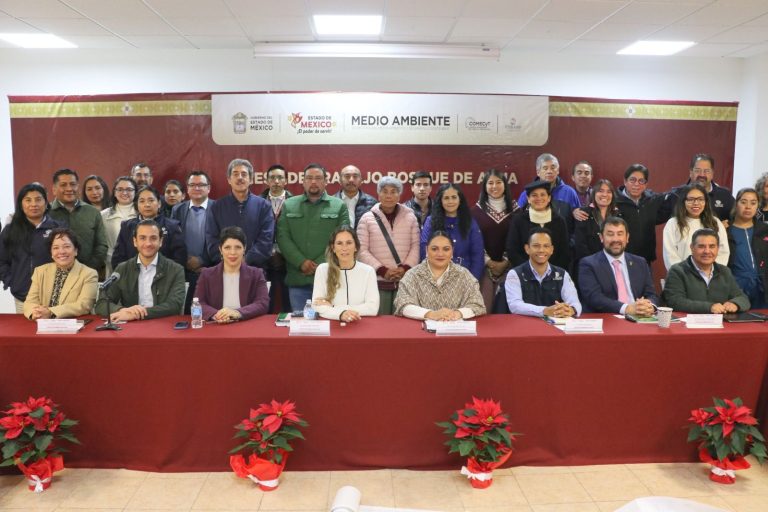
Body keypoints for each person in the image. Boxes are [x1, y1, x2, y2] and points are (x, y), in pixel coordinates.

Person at [277, 163, 349, 310]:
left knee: (330, 321)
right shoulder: (289, 205)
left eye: (318, 178)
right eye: (309, 178)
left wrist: (321, 265)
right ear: (303, 181)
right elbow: (282, 237)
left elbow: (343, 240)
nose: (313, 182)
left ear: (326, 181)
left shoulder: (339, 206)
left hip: (329, 278)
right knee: (301, 323)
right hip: (298, 279)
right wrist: (301, 262)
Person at [96, 219, 186, 321]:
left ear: (160, 241)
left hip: (162, 324)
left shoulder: (175, 269)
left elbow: (175, 305)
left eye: (153, 238)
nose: (148, 243)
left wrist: (138, 314)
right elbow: (101, 304)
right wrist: (123, 311)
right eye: (142, 238)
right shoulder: (122, 269)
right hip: (130, 325)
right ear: (135, 241)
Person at [357, 176, 420, 314]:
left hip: (405, 282)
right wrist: (382, 271)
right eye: (385, 191)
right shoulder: (367, 218)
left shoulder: (410, 217)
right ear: (378, 194)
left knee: (403, 322)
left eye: (393, 191)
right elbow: (361, 250)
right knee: (379, 323)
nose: (389, 196)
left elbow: (416, 246)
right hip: (376, 283)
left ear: (399, 194)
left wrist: (405, 268)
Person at [394, 231, 486, 320]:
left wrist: (457, 313)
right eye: (434, 249)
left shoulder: (464, 275)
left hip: (455, 328)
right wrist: (431, 314)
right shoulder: (412, 275)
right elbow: (402, 304)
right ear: (426, 250)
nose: (440, 254)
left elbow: (477, 305)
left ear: (452, 251)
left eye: (446, 249)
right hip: (420, 329)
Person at [0, 184, 64, 312]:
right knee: (23, 326)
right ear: (21, 204)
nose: (34, 204)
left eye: (38, 199)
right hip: (22, 296)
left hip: (55, 296)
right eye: (28, 200)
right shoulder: (10, 230)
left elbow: (67, 259)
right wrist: (12, 281)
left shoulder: (58, 229)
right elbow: (1, 260)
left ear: (46, 203)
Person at [578, 217, 658, 315]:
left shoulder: (640, 262)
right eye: (610, 234)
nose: (615, 239)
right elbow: (594, 298)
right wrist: (626, 308)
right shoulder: (588, 264)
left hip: (639, 316)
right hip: (608, 319)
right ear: (601, 237)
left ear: (627, 237)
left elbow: (651, 294)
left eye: (620, 234)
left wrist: (650, 306)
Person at [205, 158, 274, 269]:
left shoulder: (264, 206)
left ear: (251, 179)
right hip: (224, 269)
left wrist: (246, 260)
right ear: (229, 179)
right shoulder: (216, 207)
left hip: (255, 269)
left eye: (244, 174)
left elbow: (266, 239)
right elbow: (212, 240)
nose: (240, 177)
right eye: (235, 174)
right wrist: (229, 261)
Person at [662, 228, 750, 314]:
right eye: (701, 246)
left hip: (721, 323)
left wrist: (735, 304)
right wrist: (709, 307)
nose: (707, 251)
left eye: (712, 246)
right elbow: (675, 302)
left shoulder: (725, 271)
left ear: (717, 248)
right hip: (688, 323)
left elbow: (743, 298)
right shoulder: (677, 271)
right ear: (692, 247)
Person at [195, 226, 269, 323]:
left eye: (238, 247)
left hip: (246, 325)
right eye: (227, 247)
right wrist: (216, 315)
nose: (233, 252)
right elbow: (198, 303)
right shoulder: (206, 274)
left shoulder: (257, 274)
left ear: (244, 249)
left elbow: (263, 303)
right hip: (216, 326)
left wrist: (237, 313)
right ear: (220, 249)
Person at [504, 228, 581, 318]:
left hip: (555, 324)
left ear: (552, 249)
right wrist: (545, 311)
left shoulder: (562, 274)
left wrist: (570, 310)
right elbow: (514, 305)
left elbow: (575, 303)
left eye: (546, 246)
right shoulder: (514, 274)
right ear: (527, 248)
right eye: (536, 246)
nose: (541, 250)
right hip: (525, 324)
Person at [23, 228, 98, 319]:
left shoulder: (89, 274)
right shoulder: (40, 271)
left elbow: (84, 305)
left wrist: (51, 312)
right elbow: (30, 302)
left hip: (73, 324)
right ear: (51, 252)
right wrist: (36, 313)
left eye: (67, 246)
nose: (61, 252)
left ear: (76, 251)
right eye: (56, 248)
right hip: (43, 323)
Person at [171, 171, 216, 314]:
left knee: (209, 313)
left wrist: (202, 260)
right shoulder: (177, 209)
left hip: (210, 269)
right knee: (185, 313)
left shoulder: (219, 208)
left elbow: (222, 240)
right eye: (192, 185)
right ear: (187, 188)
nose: (197, 188)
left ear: (208, 188)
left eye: (201, 185)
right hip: (184, 271)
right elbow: (173, 240)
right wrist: (185, 260)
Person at [48, 168, 108, 276]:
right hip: (54, 275)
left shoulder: (92, 212)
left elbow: (101, 245)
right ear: (54, 189)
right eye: (63, 185)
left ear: (78, 187)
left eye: (73, 184)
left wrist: (87, 269)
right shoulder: (46, 213)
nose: (69, 188)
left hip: (87, 274)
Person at [470, 169, 516, 311]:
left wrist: (506, 261)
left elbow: (517, 239)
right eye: (490, 183)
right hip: (484, 269)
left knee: (506, 310)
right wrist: (488, 262)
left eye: (498, 182)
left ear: (505, 185)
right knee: (484, 309)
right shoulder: (475, 212)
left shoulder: (516, 211)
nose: (494, 186)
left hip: (510, 268)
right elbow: (474, 241)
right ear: (484, 186)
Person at [313, 226, 379, 321]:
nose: (344, 248)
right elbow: (317, 305)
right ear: (333, 248)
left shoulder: (368, 271)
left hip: (360, 324)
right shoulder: (322, 270)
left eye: (349, 243)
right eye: (339, 243)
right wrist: (340, 315)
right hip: (333, 325)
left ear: (356, 247)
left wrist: (335, 308)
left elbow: (372, 308)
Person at [111, 186, 186, 269]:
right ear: (137, 205)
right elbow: (118, 259)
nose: (147, 205)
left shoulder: (172, 226)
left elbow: (180, 258)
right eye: (142, 201)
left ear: (159, 204)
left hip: (164, 275)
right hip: (132, 274)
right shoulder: (127, 226)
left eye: (151, 200)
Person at [420, 183, 484, 281]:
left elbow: (478, 255)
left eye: (454, 197)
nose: (450, 201)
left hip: (465, 278)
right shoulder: (430, 221)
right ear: (440, 201)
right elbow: (424, 251)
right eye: (446, 198)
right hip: (436, 278)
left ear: (460, 200)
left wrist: (472, 282)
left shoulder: (470, 222)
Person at [614, 163, 673, 266]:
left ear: (646, 184)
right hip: (619, 259)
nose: (636, 184)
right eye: (632, 180)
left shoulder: (652, 200)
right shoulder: (613, 200)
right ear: (625, 181)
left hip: (645, 259)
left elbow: (672, 200)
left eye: (641, 181)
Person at [506, 180, 570, 271]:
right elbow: (512, 250)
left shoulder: (559, 221)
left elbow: (564, 252)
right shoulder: (518, 220)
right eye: (534, 195)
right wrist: (530, 270)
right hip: (524, 272)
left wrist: (550, 271)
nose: (539, 198)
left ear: (549, 198)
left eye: (542, 194)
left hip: (553, 273)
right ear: (528, 199)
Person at [663, 183, 729, 270]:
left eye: (700, 199)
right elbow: (670, 255)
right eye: (691, 199)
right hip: (682, 276)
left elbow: (723, 252)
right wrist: (683, 274)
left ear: (706, 202)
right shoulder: (673, 223)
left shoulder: (715, 222)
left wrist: (710, 273)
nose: (696, 203)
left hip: (710, 275)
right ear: (683, 201)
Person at [727, 188, 768, 309]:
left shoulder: (764, 230)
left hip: (762, 286)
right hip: (736, 285)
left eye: (753, 203)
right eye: (743, 202)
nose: (748, 207)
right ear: (736, 204)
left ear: (757, 206)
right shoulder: (726, 230)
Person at [260, 164, 293, 313]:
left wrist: (284, 252)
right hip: (264, 259)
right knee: (266, 301)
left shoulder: (295, 202)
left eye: (280, 177)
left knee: (289, 303)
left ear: (286, 180)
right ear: (267, 181)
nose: (276, 181)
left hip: (288, 259)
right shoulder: (258, 202)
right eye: (272, 178)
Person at [668, 153, 735, 224]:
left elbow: (737, 219)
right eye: (698, 170)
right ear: (691, 172)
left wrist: (726, 225)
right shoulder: (676, 194)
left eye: (707, 171)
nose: (702, 175)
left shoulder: (725, 195)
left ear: (712, 174)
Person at [574, 179, 621, 262]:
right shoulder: (583, 213)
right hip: (589, 262)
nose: (605, 195)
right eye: (600, 191)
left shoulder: (618, 215)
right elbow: (580, 245)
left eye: (609, 192)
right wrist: (593, 263)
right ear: (594, 194)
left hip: (614, 261)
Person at [101, 176, 138, 275]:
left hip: (138, 260)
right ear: (114, 192)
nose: (124, 193)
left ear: (135, 192)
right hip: (111, 262)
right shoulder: (103, 215)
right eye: (120, 189)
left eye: (129, 189)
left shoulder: (141, 213)